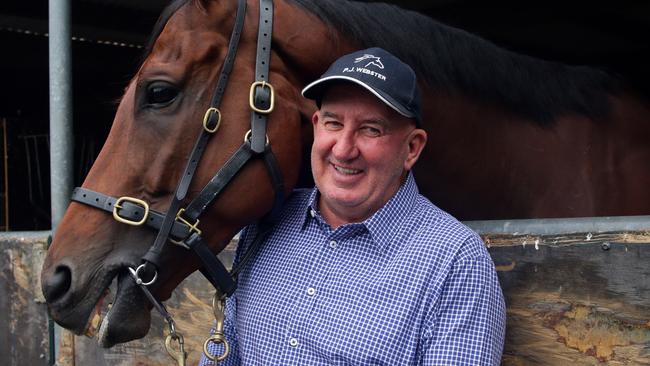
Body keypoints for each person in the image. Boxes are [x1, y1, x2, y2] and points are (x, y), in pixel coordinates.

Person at [200, 47, 506, 365]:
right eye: (333, 123)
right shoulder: (268, 221)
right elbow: (222, 351)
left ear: (412, 148)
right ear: (317, 125)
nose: (344, 150)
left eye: (371, 129)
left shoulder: (454, 260)